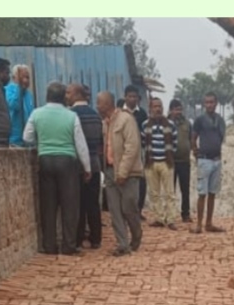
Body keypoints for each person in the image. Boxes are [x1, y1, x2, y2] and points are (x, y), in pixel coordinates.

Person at [22, 81, 91, 256]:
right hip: (67, 162)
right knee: (70, 206)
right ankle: (68, 246)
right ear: (63, 98)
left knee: (48, 206)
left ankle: (49, 245)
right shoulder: (71, 116)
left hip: (45, 160)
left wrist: (42, 140)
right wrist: (87, 167)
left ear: (47, 97)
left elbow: (26, 137)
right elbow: (80, 144)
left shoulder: (37, 114)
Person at [96, 90, 143, 256]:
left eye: (99, 102)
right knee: (115, 210)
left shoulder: (126, 120)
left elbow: (132, 147)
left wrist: (123, 172)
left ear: (107, 104)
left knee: (128, 207)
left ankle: (136, 234)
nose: (97, 106)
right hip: (109, 171)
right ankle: (122, 244)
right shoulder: (104, 123)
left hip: (128, 173)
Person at [67, 82, 103, 250]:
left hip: (77, 166)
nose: (66, 96)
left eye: (69, 93)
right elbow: (100, 143)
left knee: (78, 203)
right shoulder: (96, 116)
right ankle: (96, 238)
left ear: (76, 95)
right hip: (95, 164)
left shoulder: (71, 115)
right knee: (93, 204)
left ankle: (79, 237)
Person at [191, 92, 226, 234]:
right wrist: (195, 151)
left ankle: (209, 223)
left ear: (216, 103)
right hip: (204, 160)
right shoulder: (199, 120)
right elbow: (193, 137)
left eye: (212, 102)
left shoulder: (220, 120)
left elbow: (222, 137)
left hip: (217, 160)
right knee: (202, 193)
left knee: (212, 193)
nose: (210, 105)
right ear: (204, 104)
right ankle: (199, 224)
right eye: (207, 102)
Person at [141, 96, 178, 230]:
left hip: (166, 163)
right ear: (150, 109)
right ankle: (159, 218)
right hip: (151, 164)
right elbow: (144, 143)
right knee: (154, 193)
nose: (158, 109)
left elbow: (174, 144)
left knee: (169, 193)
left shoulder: (171, 124)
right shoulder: (145, 125)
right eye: (155, 106)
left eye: (160, 106)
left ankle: (171, 219)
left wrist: (168, 157)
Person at [123, 84, 148, 215]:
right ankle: (125, 209)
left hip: (139, 151)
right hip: (122, 151)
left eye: (135, 97)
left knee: (141, 179)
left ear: (138, 98)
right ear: (125, 97)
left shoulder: (142, 113)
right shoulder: (120, 112)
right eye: (130, 96)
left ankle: (138, 209)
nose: (132, 99)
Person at [169, 98, 192, 223]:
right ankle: (170, 215)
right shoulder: (166, 123)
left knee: (185, 189)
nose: (178, 112)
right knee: (170, 190)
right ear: (171, 110)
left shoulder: (187, 123)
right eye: (176, 110)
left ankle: (186, 214)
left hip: (184, 161)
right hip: (170, 162)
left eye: (180, 109)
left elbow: (190, 138)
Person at [5, 65, 34, 147]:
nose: (25, 80)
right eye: (22, 77)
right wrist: (19, 88)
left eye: (27, 77)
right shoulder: (8, 90)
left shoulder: (28, 95)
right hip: (13, 141)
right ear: (14, 78)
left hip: (27, 142)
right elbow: (15, 105)